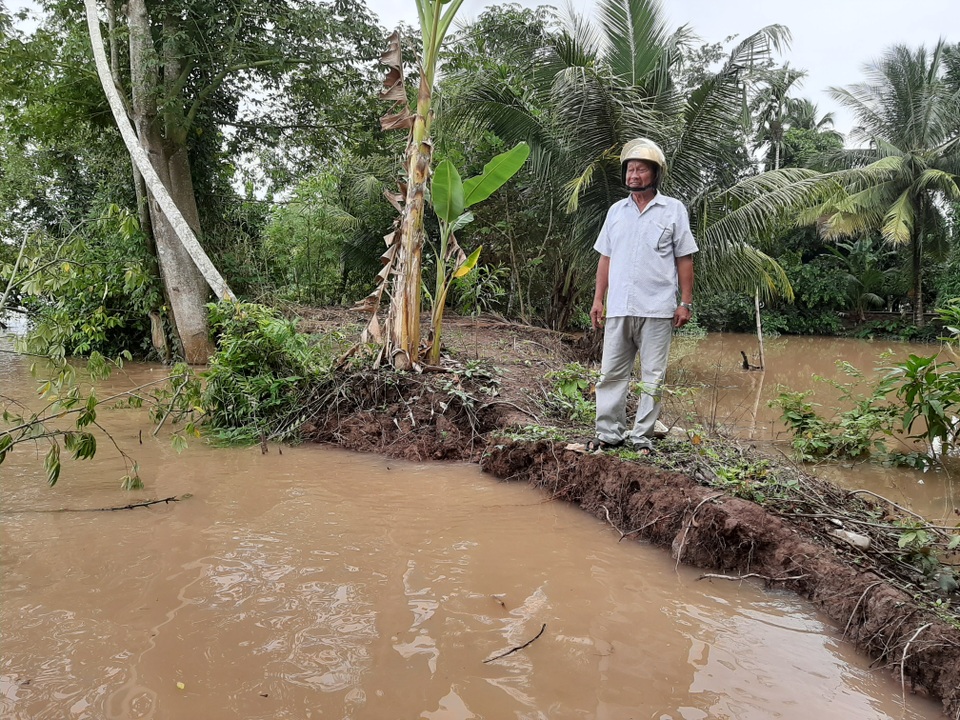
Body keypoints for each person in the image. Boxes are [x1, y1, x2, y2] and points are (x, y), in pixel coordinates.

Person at [588, 138, 697, 452]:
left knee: (652, 376)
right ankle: (609, 434)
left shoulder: (673, 210)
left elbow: (684, 258)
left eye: (641, 169)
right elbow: (605, 258)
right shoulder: (616, 212)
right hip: (619, 306)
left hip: (658, 308)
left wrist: (685, 302)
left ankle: (641, 438)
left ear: (655, 174)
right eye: (630, 169)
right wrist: (599, 299)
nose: (634, 175)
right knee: (611, 374)